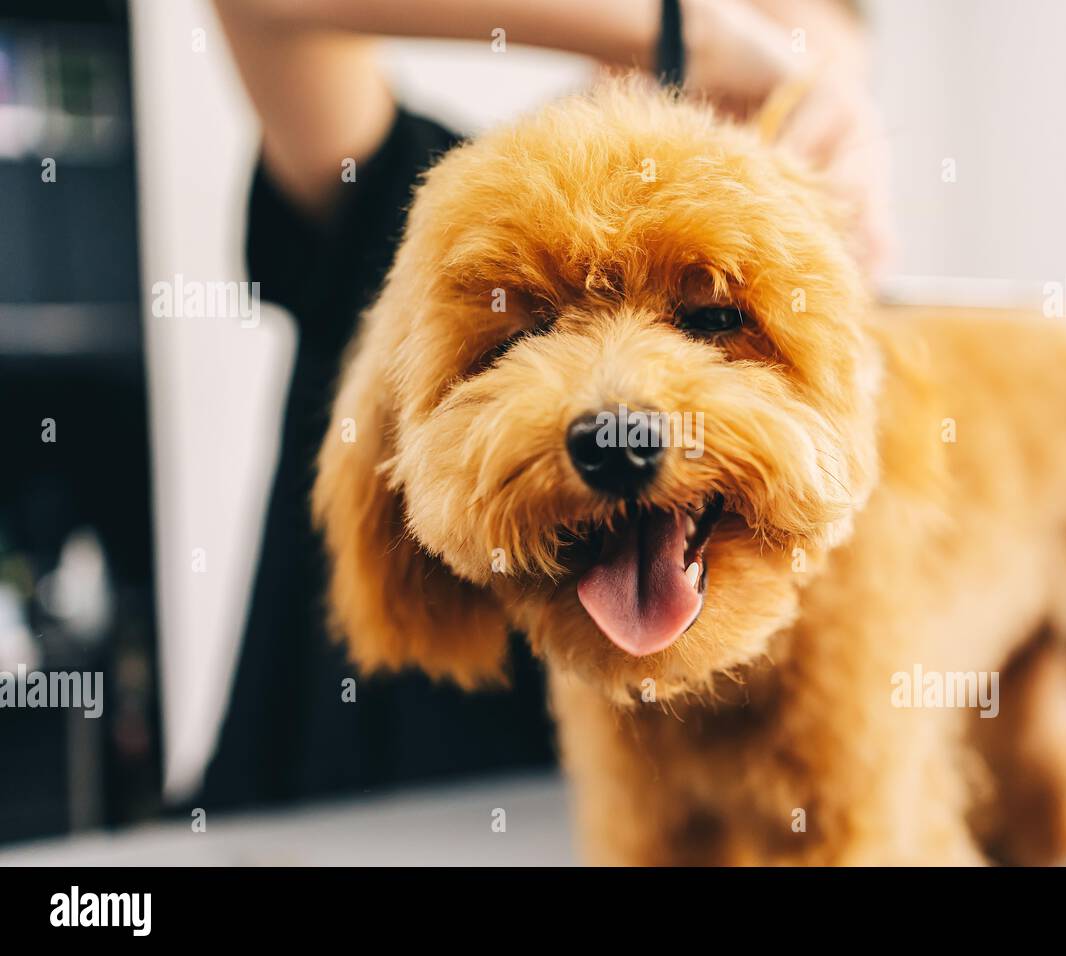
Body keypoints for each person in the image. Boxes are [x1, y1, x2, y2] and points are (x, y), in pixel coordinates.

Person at [201, 0, 883, 808]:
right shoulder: (417, 222)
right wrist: (677, 28)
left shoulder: (847, 395)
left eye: (713, 317)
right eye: (523, 334)